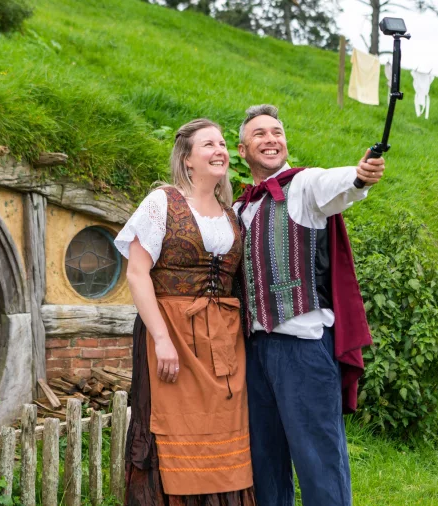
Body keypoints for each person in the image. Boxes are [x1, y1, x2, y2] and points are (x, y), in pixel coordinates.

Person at [233, 104, 384, 506]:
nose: (271, 139)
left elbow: (339, 184)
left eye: (277, 132)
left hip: (303, 347)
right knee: (265, 463)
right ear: (242, 149)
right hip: (255, 351)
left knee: (318, 460)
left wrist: (359, 175)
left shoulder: (304, 187)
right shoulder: (239, 209)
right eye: (260, 134)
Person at [115, 118, 256, 505]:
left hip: (223, 343)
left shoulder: (232, 215)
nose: (220, 150)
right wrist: (161, 339)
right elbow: (137, 272)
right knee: (172, 429)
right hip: (172, 334)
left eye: (223, 143)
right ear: (187, 159)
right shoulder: (163, 202)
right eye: (208, 144)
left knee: (225, 430)